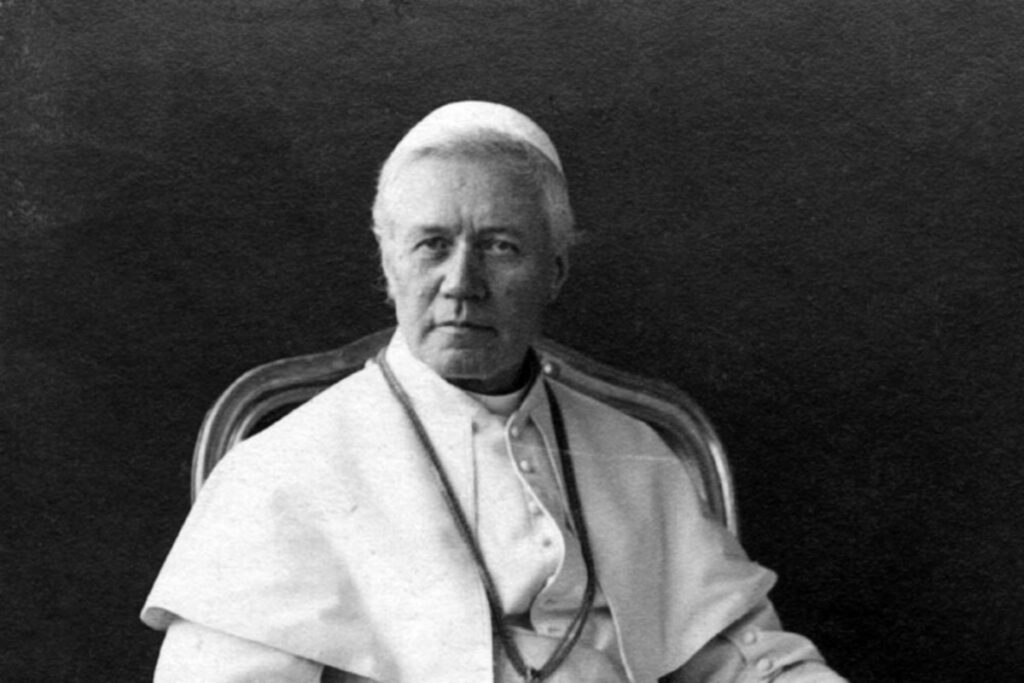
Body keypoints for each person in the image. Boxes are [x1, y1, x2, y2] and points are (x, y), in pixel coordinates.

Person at [142, 101, 847, 683]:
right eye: (432, 244)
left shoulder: (635, 452)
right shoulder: (280, 470)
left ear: (555, 271)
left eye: (500, 246)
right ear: (389, 265)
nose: (462, 283)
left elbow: (752, 663)